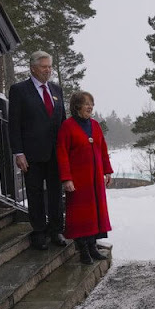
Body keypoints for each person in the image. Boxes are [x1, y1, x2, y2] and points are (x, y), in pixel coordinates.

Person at [8, 51, 67, 250]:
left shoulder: (57, 89)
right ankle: (39, 232)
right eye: (44, 67)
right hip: (31, 154)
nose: (48, 70)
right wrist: (18, 152)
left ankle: (56, 229)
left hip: (55, 153)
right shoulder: (19, 90)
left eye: (50, 66)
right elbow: (14, 124)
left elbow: (63, 122)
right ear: (33, 68)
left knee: (55, 193)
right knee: (35, 193)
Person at [56, 91, 113, 264]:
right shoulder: (68, 126)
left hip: (95, 179)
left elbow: (102, 149)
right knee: (81, 215)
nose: (90, 107)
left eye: (91, 104)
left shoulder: (95, 125)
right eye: (86, 103)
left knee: (94, 213)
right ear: (76, 106)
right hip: (78, 179)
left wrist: (107, 171)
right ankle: (83, 249)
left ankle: (93, 246)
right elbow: (62, 153)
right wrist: (66, 178)